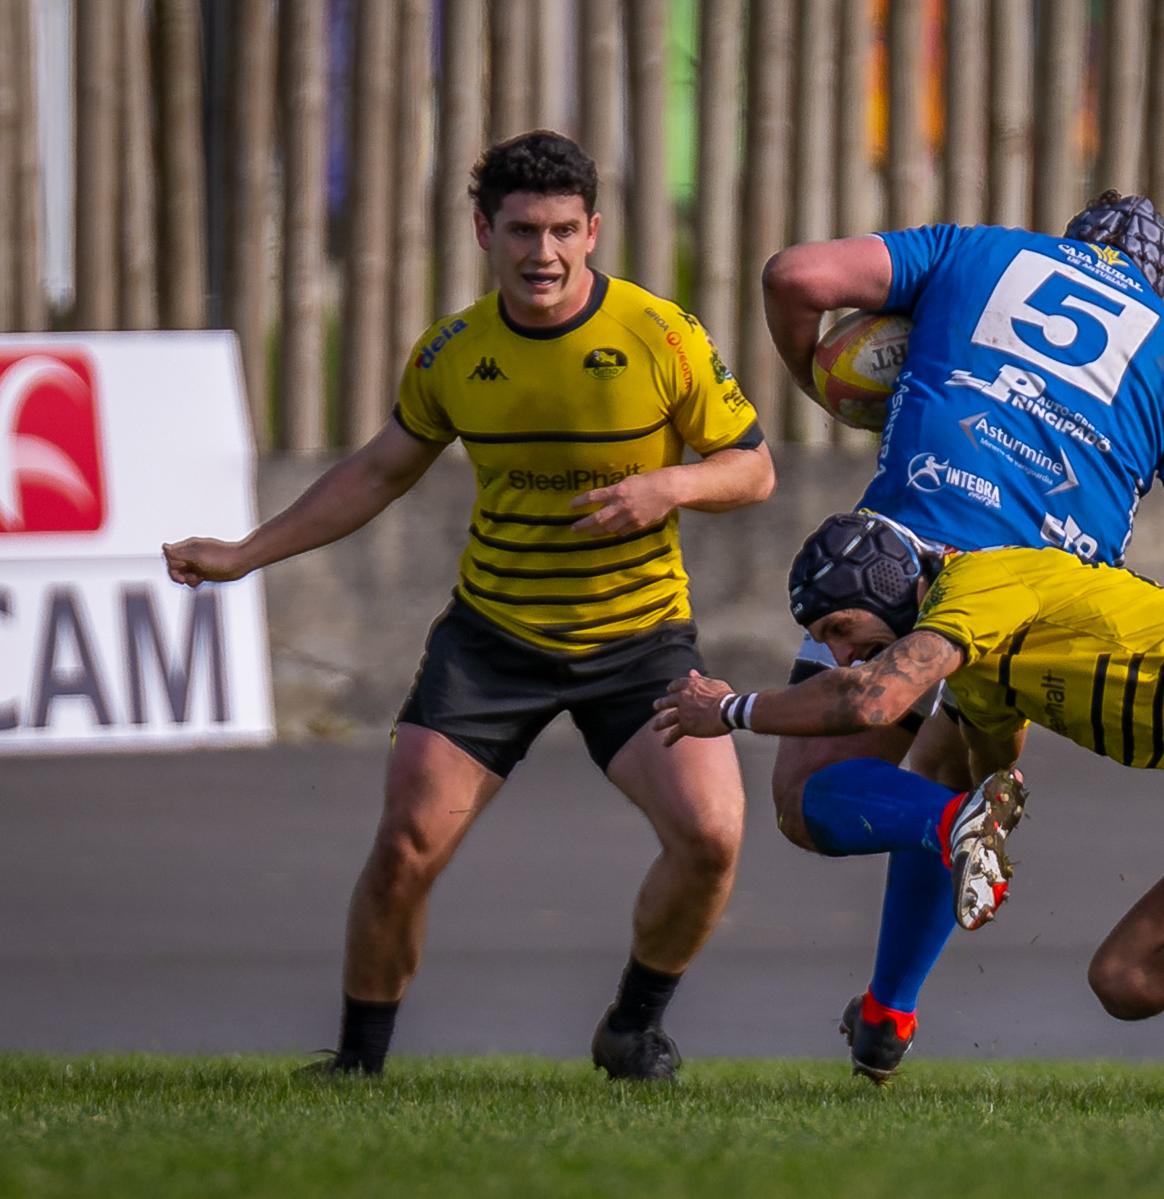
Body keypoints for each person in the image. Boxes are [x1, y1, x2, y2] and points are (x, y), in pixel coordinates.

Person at [163, 131, 774, 1082]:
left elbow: (754, 467)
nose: (546, 253)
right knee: (406, 846)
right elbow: (376, 473)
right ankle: (358, 1063)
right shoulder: (453, 351)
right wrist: (246, 554)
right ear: (484, 230)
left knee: (713, 834)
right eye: (524, 230)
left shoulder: (662, 335)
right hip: (494, 639)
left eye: (566, 230)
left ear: (594, 229)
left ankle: (632, 1025)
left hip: (639, 642)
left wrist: (671, 489)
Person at [656, 514, 1164, 1104]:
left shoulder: (980, 584)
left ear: (891, 588)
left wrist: (733, 710)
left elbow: (877, 696)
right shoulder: (976, 669)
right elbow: (993, 775)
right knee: (1128, 977)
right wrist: (975, 837)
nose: (837, 650)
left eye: (839, 627)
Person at [758, 194, 1164, 1078]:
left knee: (810, 796)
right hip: (1038, 606)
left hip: (902, 557)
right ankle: (889, 1011)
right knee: (954, 764)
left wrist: (824, 385)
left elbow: (795, 275)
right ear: (1155, 287)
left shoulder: (975, 251)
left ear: (1071, 243)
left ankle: (950, 831)